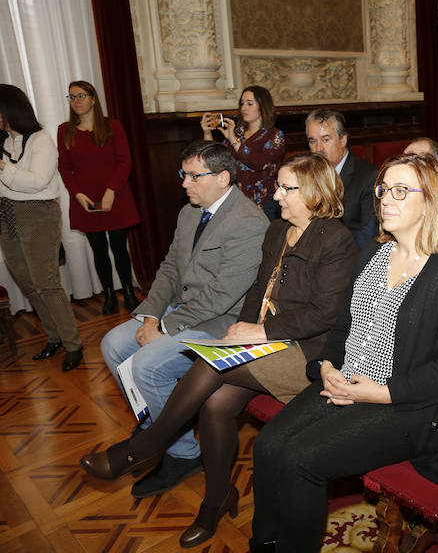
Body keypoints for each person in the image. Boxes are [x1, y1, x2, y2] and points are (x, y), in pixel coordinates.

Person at [80, 153, 356, 548]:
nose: (275, 194)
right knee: (214, 404)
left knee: (209, 366)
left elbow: (324, 315)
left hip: (305, 350)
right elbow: (256, 292)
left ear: (315, 192)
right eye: (278, 186)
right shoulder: (279, 230)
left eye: (286, 188)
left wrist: (260, 331)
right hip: (265, 341)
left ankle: (146, 445)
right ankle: (216, 498)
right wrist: (237, 331)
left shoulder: (336, 239)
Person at [249, 152, 438, 552]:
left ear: (431, 200)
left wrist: (376, 392)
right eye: (382, 190)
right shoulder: (373, 255)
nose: (385, 200)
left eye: (399, 191)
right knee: (268, 445)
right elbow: (343, 327)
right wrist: (325, 367)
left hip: (406, 405)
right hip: (347, 380)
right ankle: (266, 543)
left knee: (300, 461)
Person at [98, 141, 268, 499]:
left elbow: (223, 295)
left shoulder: (249, 222)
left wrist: (165, 328)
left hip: (220, 323)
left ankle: (182, 452)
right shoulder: (190, 211)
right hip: (180, 310)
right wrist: (150, 316)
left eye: (193, 176)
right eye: (183, 174)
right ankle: (157, 425)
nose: (184, 183)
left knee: (147, 365)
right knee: (112, 344)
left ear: (223, 178)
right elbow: (170, 270)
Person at [0, 84, 83, 372]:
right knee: (27, 282)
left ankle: (73, 345)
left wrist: (2, 167)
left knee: (46, 283)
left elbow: (37, 181)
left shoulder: (41, 140)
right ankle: (54, 336)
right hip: (6, 212)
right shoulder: (6, 141)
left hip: (38, 214)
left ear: (9, 110)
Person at [58, 80, 141, 315]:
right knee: (98, 249)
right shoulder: (65, 130)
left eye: (82, 95)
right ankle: (108, 295)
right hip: (85, 200)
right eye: (72, 97)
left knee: (119, 247)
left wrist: (111, 191)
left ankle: (128, 291)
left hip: (115, 195)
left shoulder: (112, 126)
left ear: (93, 99)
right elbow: (64, 167)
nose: (77, 101)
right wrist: (77, 194)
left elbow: (125, 161)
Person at [201, 85, 285, 220]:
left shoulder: (274, 134)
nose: (244, 108)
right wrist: (207, 133)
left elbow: (258, 163)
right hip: (235, 199)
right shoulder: (237, 132)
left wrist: (233, 141)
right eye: (242, 103)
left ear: (262, 106)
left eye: (250, 103)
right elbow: (215, 160)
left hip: (263, 202)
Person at [305, 108, 378, 245]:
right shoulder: (306, 174)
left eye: (325, 139)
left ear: (343, 139)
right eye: (313, 141)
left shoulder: (368, 176)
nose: (318, 149)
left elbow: (368, 234)